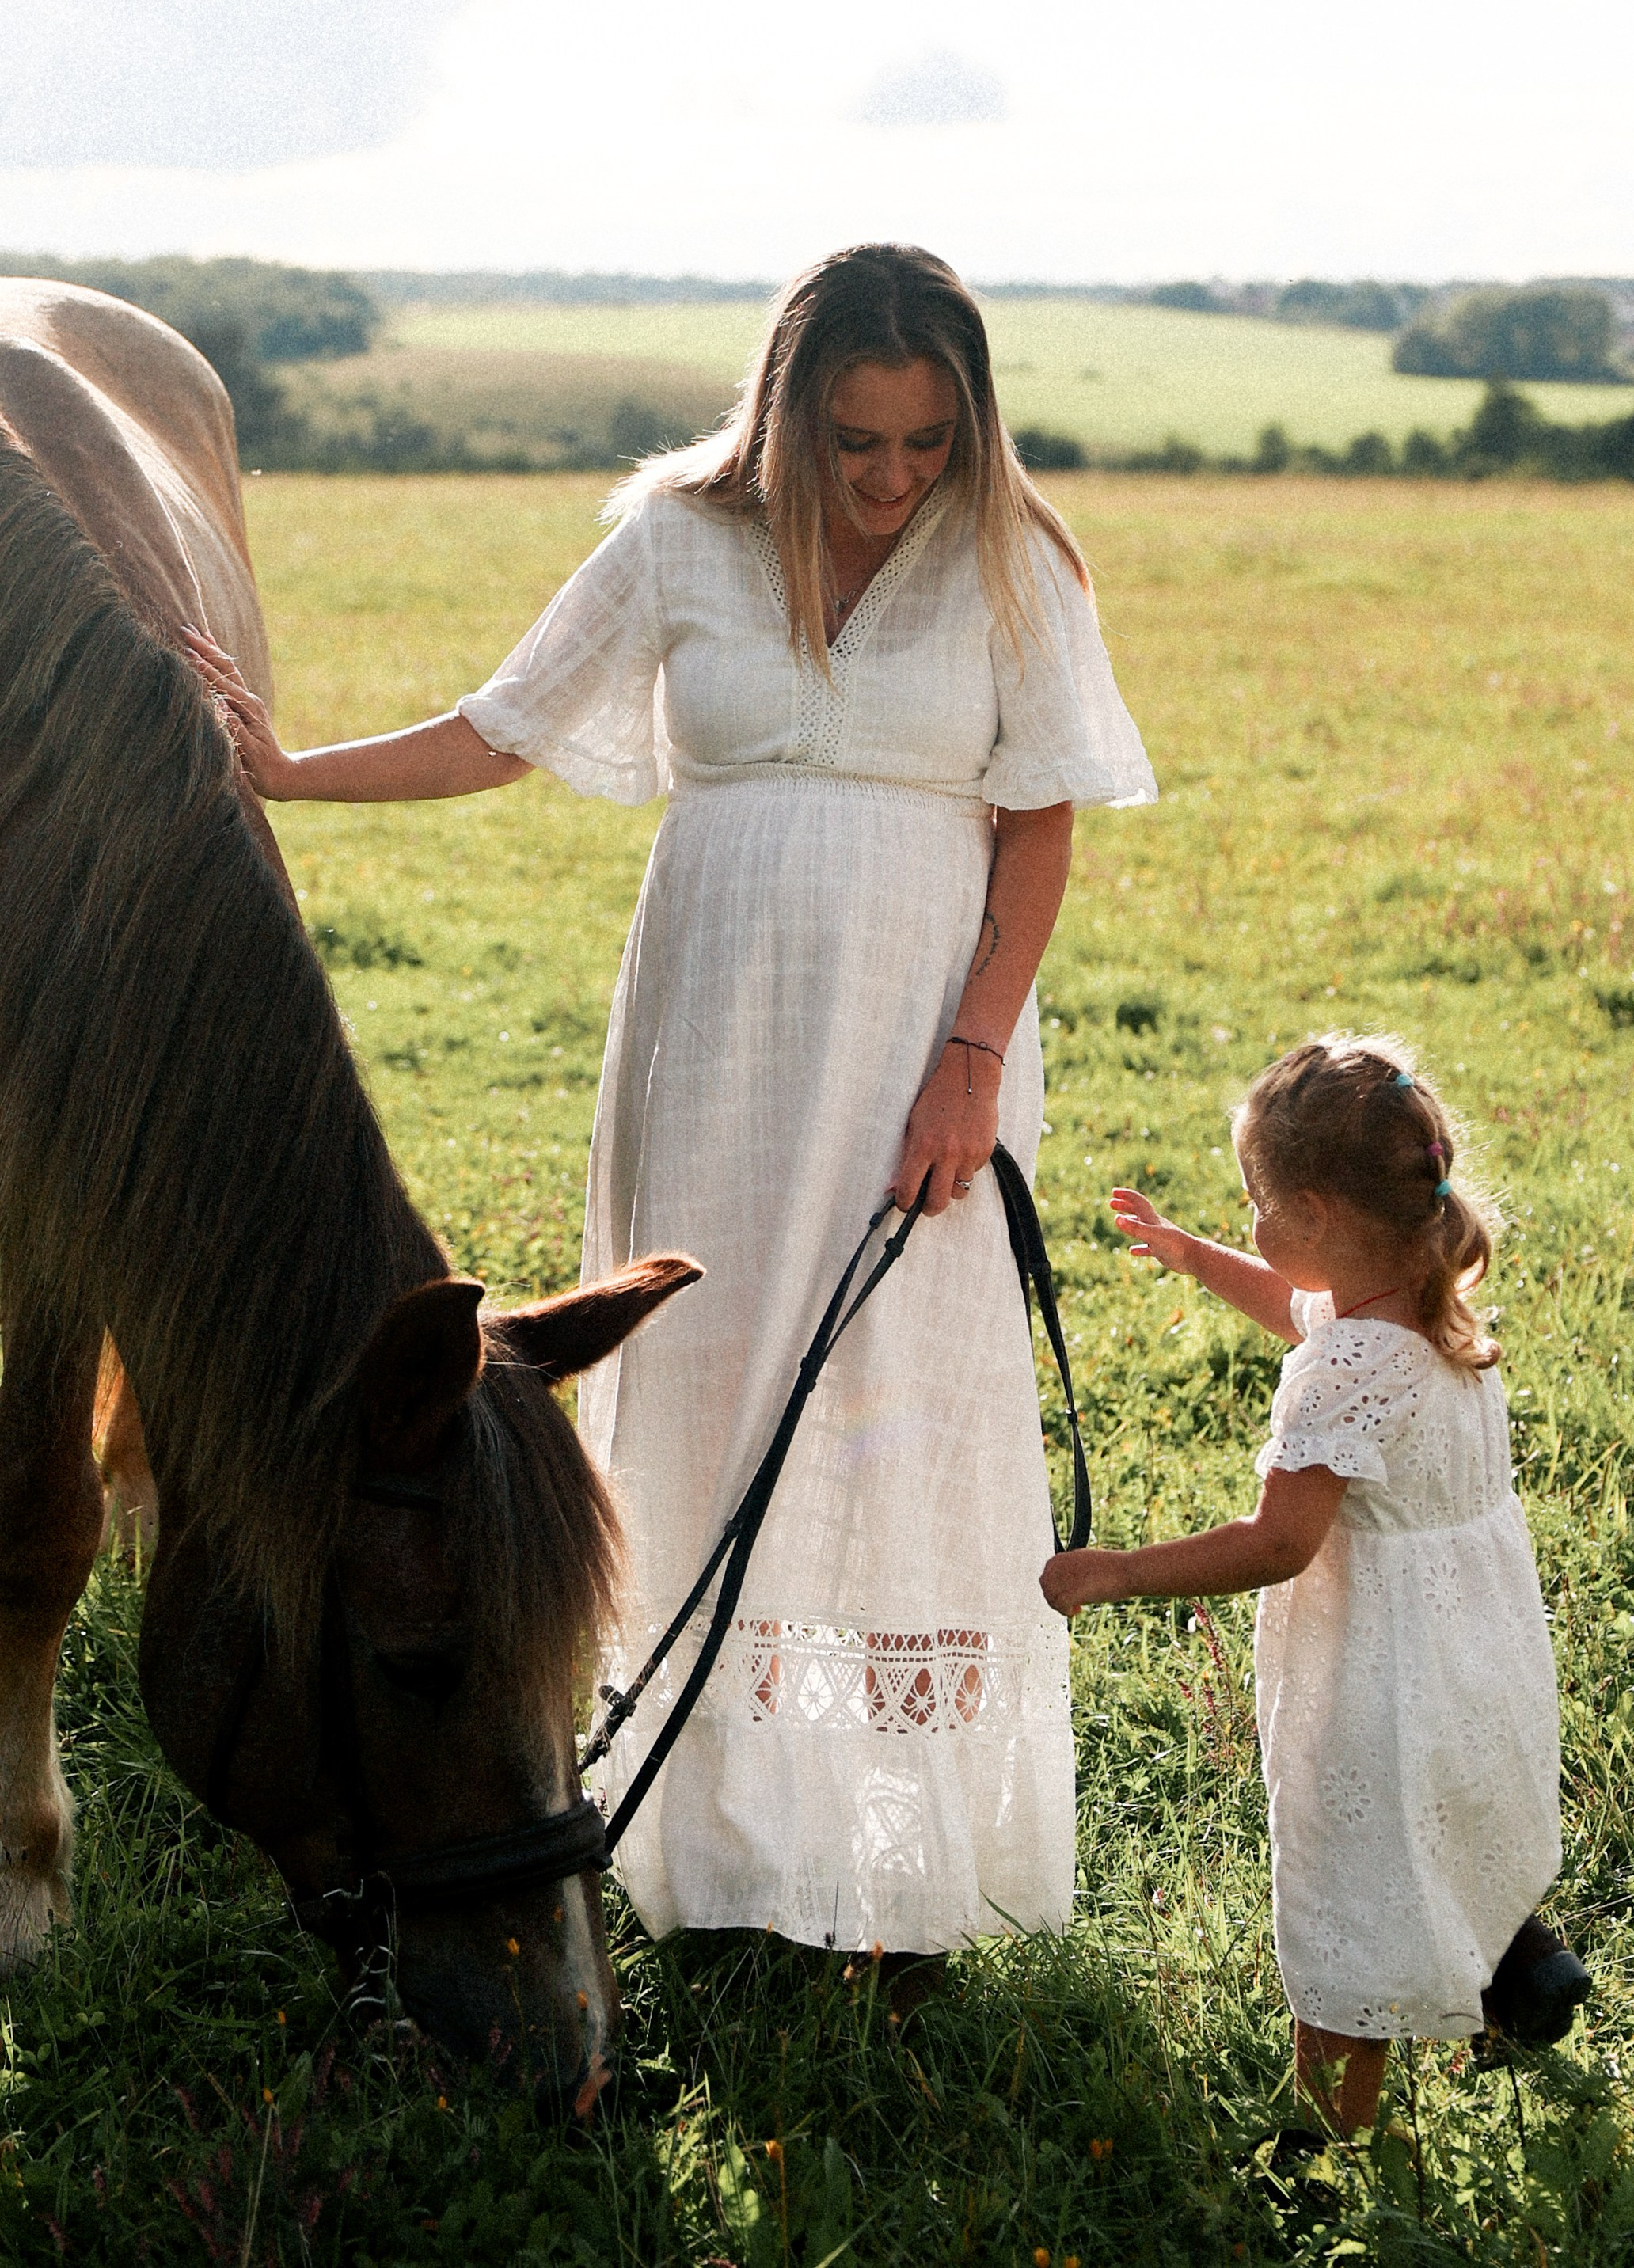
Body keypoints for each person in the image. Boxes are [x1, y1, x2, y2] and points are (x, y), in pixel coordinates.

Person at [188, 241, 1156, 1971]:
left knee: (898, 1407)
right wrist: (291, 769)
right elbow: (508, 723)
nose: (886, 478)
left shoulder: (1011, 556)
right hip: (714, 1030)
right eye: (853, 439)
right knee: (702, 1397)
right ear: (784, 410)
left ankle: (901, 1883)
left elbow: (1041, 812)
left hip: (919, 1044)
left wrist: (972, 1058)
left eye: (925, 440)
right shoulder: (676, 538)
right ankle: (710, 1858)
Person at [1043, 1036, 1573, 2136]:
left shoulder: (1343, 1372)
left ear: (1323, 1216)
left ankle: (1331, 2148)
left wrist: (1120, 1571)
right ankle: (1517, 1965)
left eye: (1257, 1204)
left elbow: (1280, 1543)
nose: (1249, 1224)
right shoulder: (1427, 1307)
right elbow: (1302, 1306)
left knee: (1353, 1901)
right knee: (1460, 1822)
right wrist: (1195, 1258)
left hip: (1381, 1683)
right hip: (1482, 1664)